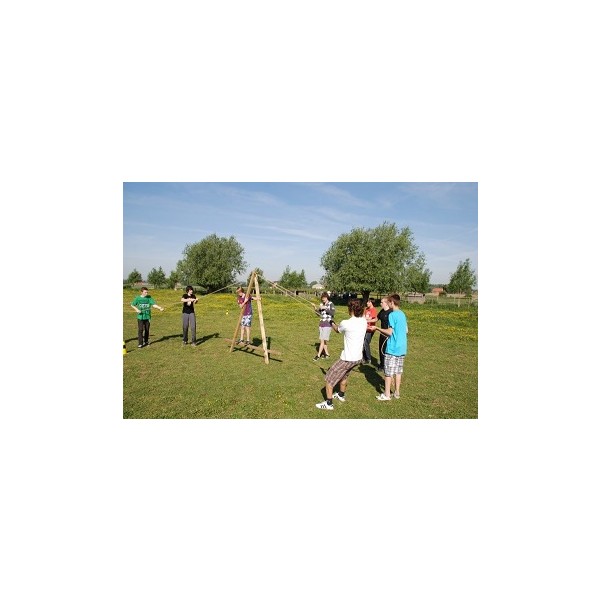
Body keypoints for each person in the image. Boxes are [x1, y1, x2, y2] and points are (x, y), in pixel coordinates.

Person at [316, 298, 367, 411]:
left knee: (329, 379)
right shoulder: (364, 321)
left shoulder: (346, 323)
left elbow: (337, 330)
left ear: (351, 309)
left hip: (347, 358)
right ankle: (341, 395)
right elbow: (346, 326)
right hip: (358, 358)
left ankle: (329, 404)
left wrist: (331, 322)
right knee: (344, 375)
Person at [373, 294, 408, 401]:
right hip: (402, 348)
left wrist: (377, 328)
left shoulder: (392, 315)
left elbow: (389, 332)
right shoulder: (402, 314)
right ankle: (397, 393)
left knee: (388, 373)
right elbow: (406, 330)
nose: (387, 304)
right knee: (398, 371)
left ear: (392, 302)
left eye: (388, 302)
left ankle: (387, 395)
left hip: (393, 348)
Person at [312, 292, 335, 360]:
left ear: (327, 297)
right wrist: (314, 307)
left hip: (327, 324)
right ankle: (327, 354)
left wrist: (325, 308)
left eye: (324, 298)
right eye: (322, 298)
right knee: (323, 340)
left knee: (322, 340)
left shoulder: (331, 304)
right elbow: (318, 314)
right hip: (321, 324)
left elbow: (332, 313)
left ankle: (318, 355)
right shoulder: (321, 304)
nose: (323, 299)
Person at [376, 296, 392, 371]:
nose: (380, 304)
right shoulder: (382, 311)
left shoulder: (391, 312)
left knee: (386, 350)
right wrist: (366, 320)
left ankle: (387, 365)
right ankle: (382, 365)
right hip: (382, 333)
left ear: (386, 303)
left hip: (388, 335)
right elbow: (376, 319)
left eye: (382, 302)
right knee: (381, 349)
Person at [362, 298, 378, 365]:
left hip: (370, 329)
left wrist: (366, 319)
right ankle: (363, 358)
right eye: (367, 302)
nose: (367, 303)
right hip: (364, 329)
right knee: (362, 343)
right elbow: (363, 317)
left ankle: (368, 359)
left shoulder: (373, 310)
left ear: (371, 303)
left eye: (368, 302)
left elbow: (371, 318)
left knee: (366, 343)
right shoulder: (366, 309)